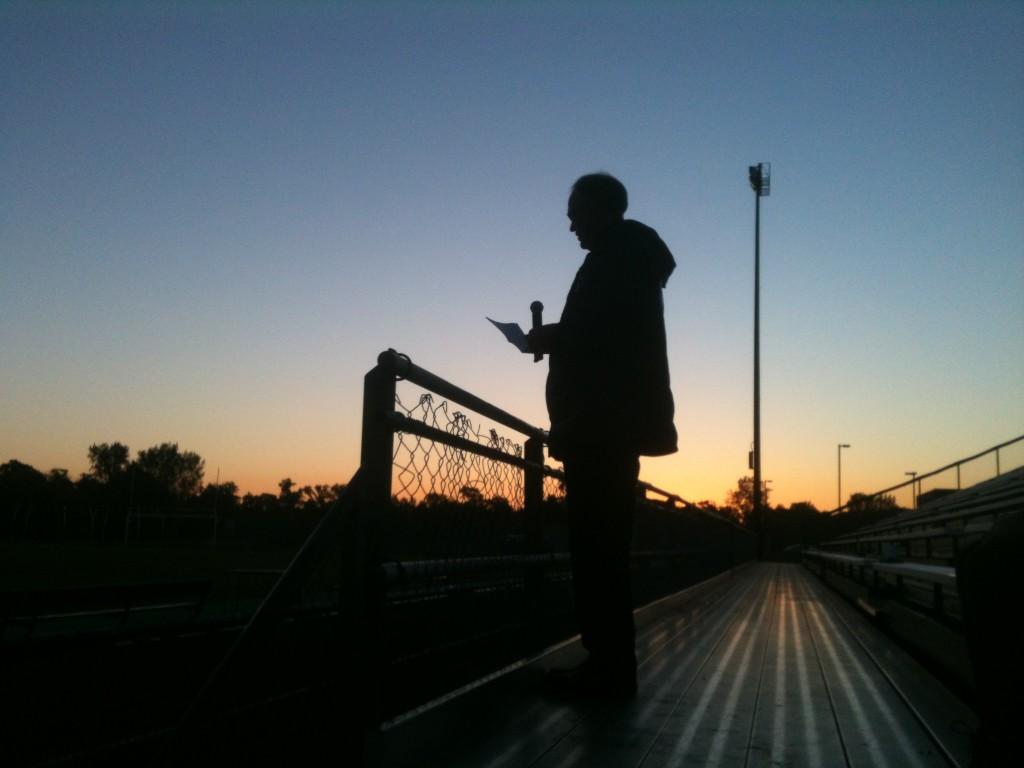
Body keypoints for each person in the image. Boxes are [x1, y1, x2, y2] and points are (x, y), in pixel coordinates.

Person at [528, 172, 677, 696]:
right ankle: (609, 666)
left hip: (600, 428)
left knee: (597, 552)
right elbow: (606, 338)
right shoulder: (626, 261)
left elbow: (604, 344)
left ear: (602, 211)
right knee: (602, 551)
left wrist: (550, 339)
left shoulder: (616, 263)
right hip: (605, 426)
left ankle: (608, 671)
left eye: (577, 212)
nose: (570, 223)